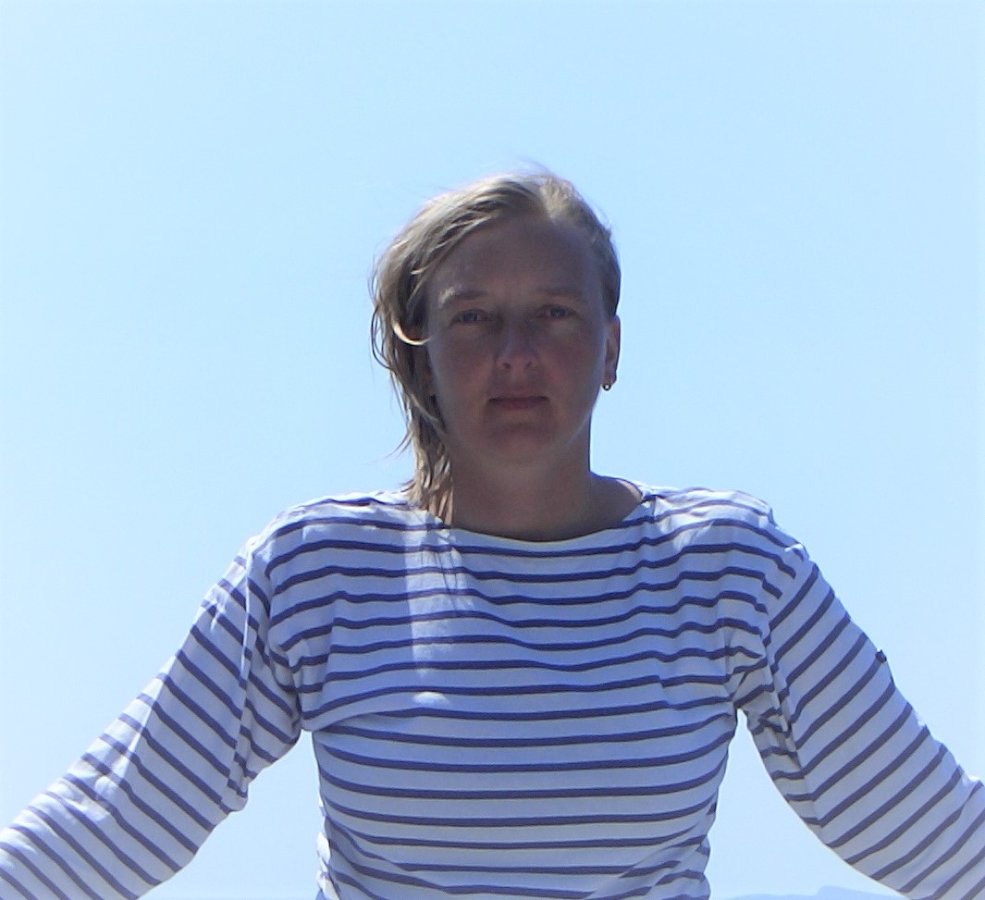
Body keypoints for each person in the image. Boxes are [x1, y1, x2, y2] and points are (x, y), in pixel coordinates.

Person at [1, 172, 982, 899]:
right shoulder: (315, 572)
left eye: (554, 313)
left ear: (609, 348)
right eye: (474, 318)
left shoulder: (729, 569)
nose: (516, 354)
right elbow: (104, 831)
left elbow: (931, 835)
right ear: (419, 358)